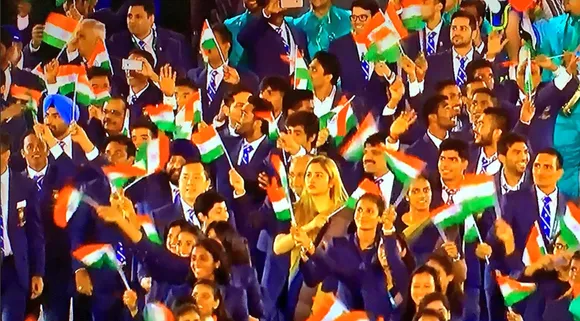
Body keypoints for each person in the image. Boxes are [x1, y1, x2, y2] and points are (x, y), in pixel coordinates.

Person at [301, 193, 411, 320]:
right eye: (359, 210)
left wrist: (388, 228)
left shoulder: (384, 250)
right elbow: (312, 279)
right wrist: (305, 258)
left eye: (369, 211)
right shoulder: (338, 245)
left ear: (380, 217)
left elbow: (395, 269)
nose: (363, 215)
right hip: (343, 315)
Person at [272, 155, 350, 320]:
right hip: (297, 286)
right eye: (308, 174)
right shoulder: (295, 210)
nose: (311, 179)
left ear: (331, 181)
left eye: (319, 175)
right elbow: (278, 247)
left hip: (329, 288)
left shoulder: (344, 214)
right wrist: (310, 226)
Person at [0, 132, 45, 320]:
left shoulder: (24, 185)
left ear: (6, 154)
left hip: (15, 270)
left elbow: (35, 233)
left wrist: (37, 273)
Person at [187, 23, 259, 124]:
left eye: (211, 42)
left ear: (226, 46)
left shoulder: (248, 79)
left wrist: (237, 83)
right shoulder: (192, 77)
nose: (206, 47)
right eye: (203, 42)